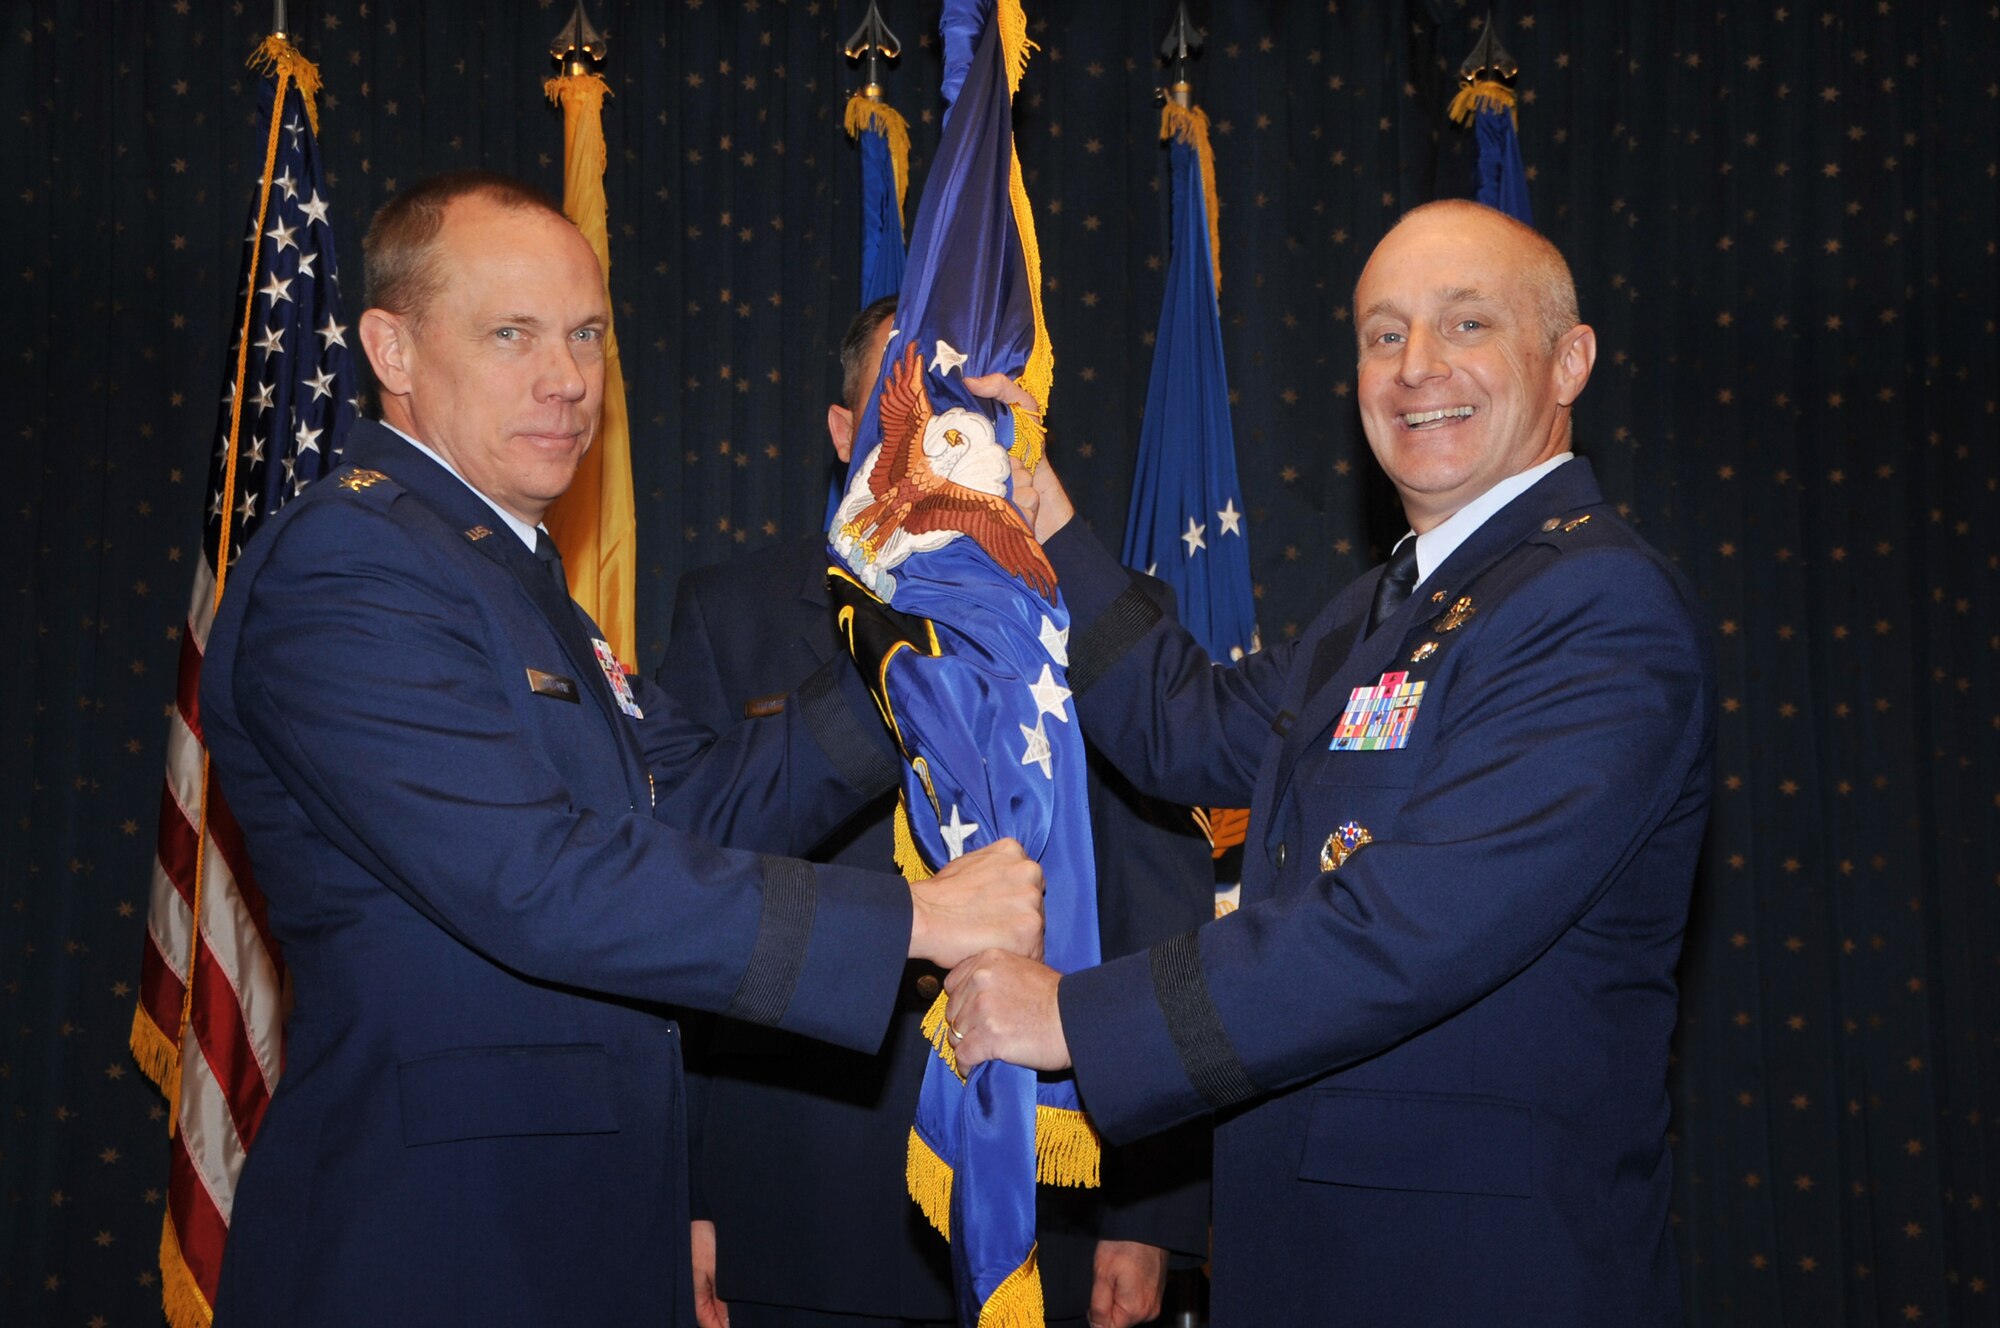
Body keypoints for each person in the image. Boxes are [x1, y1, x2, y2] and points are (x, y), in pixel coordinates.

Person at [198, 171, 1044, 1326]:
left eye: (587, 334)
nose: (567, 379)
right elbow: (539, 878)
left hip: (568, 1230)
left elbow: (687, 807)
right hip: (436, 1244)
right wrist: (919, 920)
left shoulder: (508, 568)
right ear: (390, 349)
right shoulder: (352, 566)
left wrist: (914, 665)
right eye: (513, 334)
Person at [943, 200, 1716, 1325]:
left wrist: (1076, 1015)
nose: (1415, 368)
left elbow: (1406, 923)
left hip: (1474, 1273)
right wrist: (1050, 521)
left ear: (1567, 361)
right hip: (1311, 1257)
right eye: (1382, 333)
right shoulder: (1378, 610)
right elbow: (1182, 725)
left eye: (1465, 326)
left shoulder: (1596, 607)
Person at [662, 295, 1213, 1328]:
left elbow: (1161, 906)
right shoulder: (729, 612)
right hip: (796, 1196)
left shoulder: (1099, 614)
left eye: (967, 404)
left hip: (1047, 1185)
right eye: (906, 402)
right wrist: (687, 1200)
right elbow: (686, 905)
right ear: (843, 431)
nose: (935, 436)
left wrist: (1151, 1210)